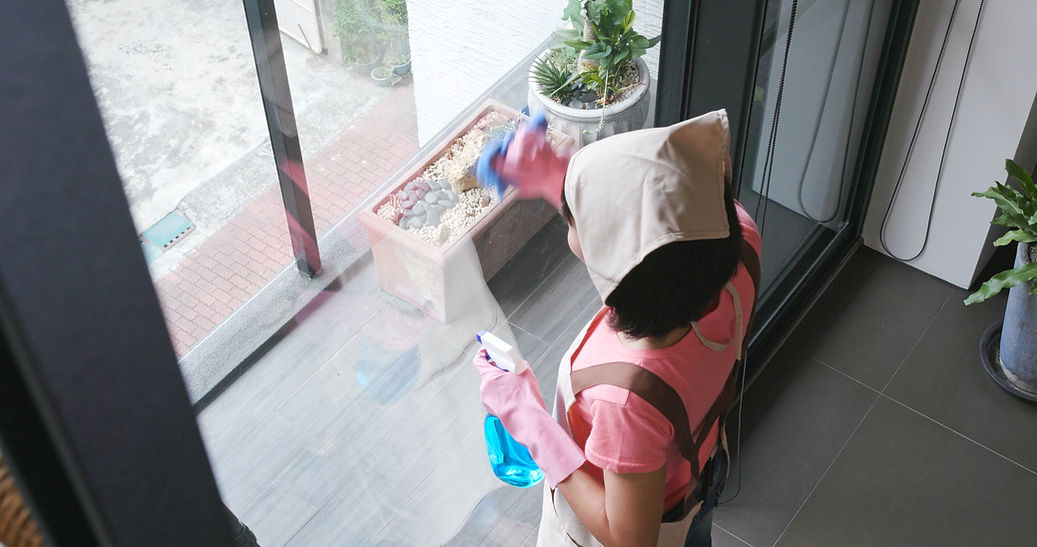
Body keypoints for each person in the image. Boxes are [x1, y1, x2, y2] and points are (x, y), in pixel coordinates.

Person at [474, 109, 761, 546]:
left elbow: (630, 539)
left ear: (623, 281)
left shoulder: (626, 400)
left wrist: (530, 421)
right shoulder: (741, 244)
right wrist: (557, 177)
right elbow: (675, 214)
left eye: (575, 218)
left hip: (655, 523)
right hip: (700, 476)